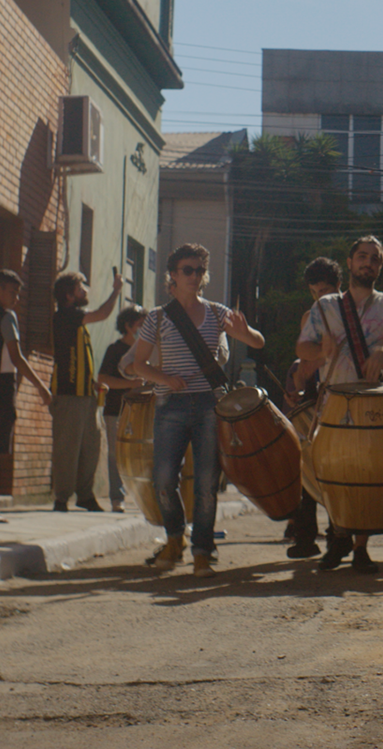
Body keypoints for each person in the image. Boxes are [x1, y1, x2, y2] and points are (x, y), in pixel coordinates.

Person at [124, 244, 264, 577]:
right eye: (188, 270)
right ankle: (175, 538)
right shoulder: (158, 317)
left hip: (208, 405)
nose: (195, 276)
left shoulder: (216, 313)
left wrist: (244, 332)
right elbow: (138, 364)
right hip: (169, 405)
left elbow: (258, 342)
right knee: (162, 480)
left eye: (200, 270)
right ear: (173, 274)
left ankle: (202, 550)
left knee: (205, 483)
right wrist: (165, 379)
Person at [295, 236, 383, 574]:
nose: (367, 263)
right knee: (333, 472)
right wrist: (322, 350)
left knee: (366, 473)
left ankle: (360, 547)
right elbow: (302, 348)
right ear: (349, 262)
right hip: (333, 400)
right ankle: (339, 537)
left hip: (374, 400)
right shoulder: (326, 306)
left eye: (374, 259)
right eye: (362, 256)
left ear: (380, 266)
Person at [0, 270, 52, 523]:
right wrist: (40, 386)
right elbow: (16, 357)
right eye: (12, 292)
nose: (16, 298)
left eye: (18, 293)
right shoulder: (6, 317)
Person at [49, 268, 122, 512]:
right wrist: (116, 291)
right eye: (80, 288)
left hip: (85, 394)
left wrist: (92, 382)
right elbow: (103, 313)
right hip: (68, 394)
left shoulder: (77, 321)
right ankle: (62, 498)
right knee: (67, 447)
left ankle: (85, 495)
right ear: (69, 295)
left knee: (90, 446)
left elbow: (77, 357)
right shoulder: (66, 316)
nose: (85, 291)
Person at [284, 257, 341, 557]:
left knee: (334, 469)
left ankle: (336, 536)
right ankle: (305, 537)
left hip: (340, 395)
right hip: (315, 397)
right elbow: (305, 361)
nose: (321, 297)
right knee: (305, 466)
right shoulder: (310, 316)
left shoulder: (349, 314)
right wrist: (297, 388)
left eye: (326, 290)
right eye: (316, 292)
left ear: (338, 287)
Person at [95, 305, 149, 513]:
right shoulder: (114, 350)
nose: (144, 329)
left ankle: (142, 497)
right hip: (116, 410)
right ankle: (117, 498)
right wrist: (130, 384)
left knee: (140, 454)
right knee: (115, 455)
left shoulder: (147, 351)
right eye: (140, 325)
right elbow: (103, 378)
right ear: (128, 326)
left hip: (141, 412)